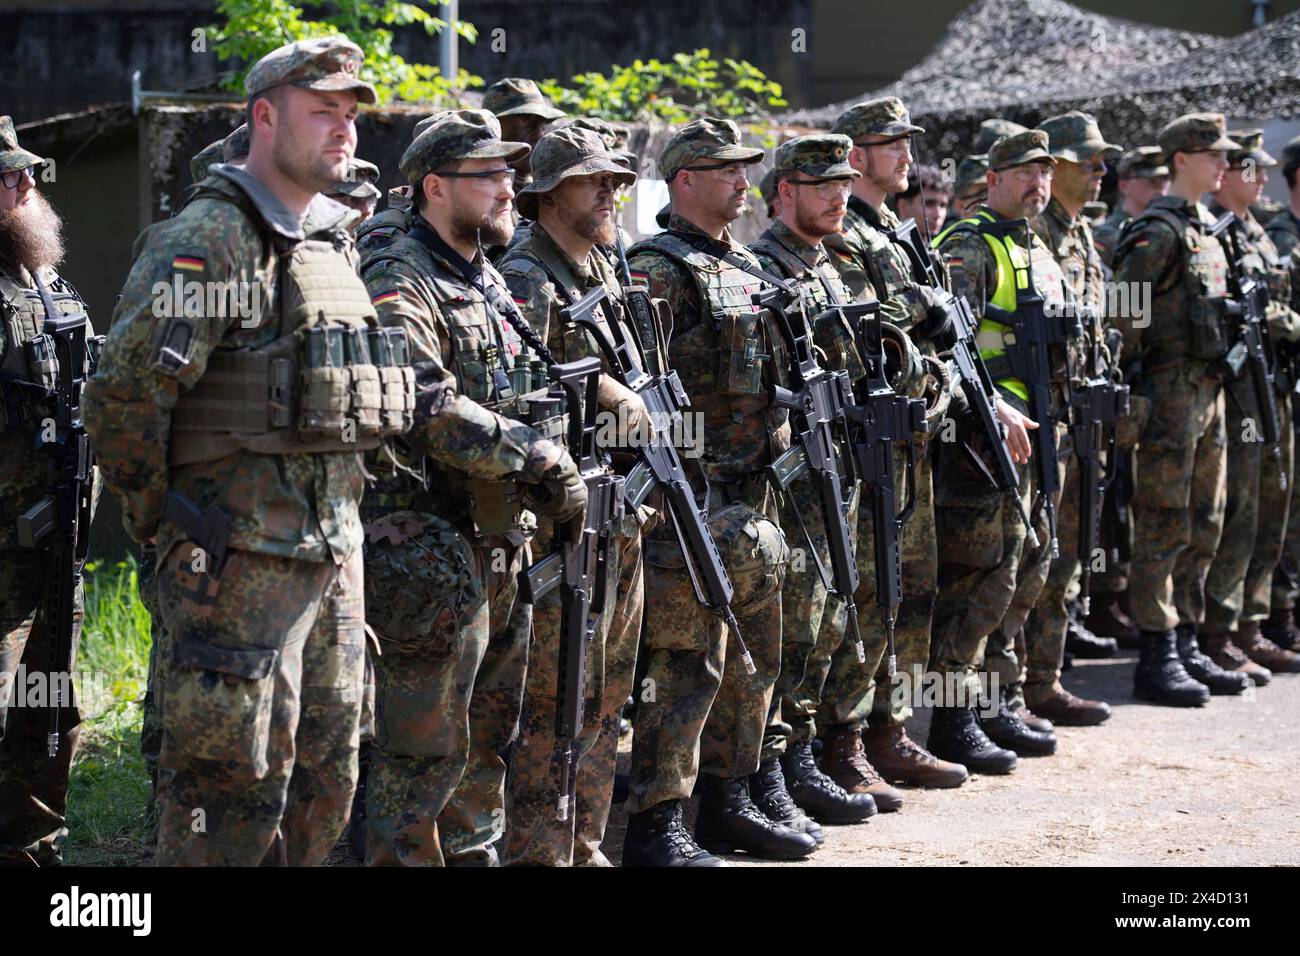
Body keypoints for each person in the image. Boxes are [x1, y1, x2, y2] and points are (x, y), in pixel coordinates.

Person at [85, 36, 391, 865]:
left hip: (333, 567)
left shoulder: (330, 244)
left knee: (327, 787)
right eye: (321, 111)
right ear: (264, 116)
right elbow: (123, 396)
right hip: (237, 569)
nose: (344, 131)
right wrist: (164, 522)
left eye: (350, 115)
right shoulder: (213, 238)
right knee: (229, 802)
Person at [357, 109, 586, 866]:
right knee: (418, 753)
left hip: (496, 544)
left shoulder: (481, 273)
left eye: (510, 174)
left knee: (489, 733)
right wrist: (537, 458)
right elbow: (422, 403)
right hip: (422, 554)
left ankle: (473, 853)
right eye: (487, 175)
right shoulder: (397, 274)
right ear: (433, 186)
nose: (507, 188)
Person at [621, 117, 815, 866]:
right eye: (724, 169)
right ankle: (658, 819)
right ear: (683, 181)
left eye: (746, 169)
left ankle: (734, 792)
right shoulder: (657, 270)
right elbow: (647, 391)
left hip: (755, 492)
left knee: (755, 649)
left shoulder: (748, 266)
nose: (743, 182)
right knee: (687, 658)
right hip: (690, 499)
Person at [496, 126, 650, 865]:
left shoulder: (601, 267)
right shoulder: (527, 272)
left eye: (616, 183)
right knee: (554, 704)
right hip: (565, 521)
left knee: (607, 699)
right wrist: (601, 385)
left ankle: (585, 845)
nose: (610, 194)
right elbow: (520, 384)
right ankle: (538, 850)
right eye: (596, 182)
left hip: (619, 510)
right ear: (550, 191)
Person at [820, 97, 977, 795]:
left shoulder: (892, 228)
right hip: (868, 439)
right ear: (855, 155)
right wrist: (919, 307)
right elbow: (861, 327)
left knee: (911, 589)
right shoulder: (842, 230)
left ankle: (894, 729)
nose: (907, 154)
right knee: (867, 590)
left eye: (908, 140)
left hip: (910, 433)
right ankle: (846, 740)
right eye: (891, 142)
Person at [748, 133, 881, 836]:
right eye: (822, 185)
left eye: (844, 183)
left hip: (843, 461)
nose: (838, 196)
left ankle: (806, 751)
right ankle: (783, 761)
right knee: (793, 627)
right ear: (784, 193)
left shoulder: (839, 265)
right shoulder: (763, 269)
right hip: (792, 474)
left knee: (829, 617)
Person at [930, 129, 1072, 768]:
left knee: (1026, 568)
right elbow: (945, 348)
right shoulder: (968, 246)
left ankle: (999, 699)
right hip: (986, 440)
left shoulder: (1035, 246)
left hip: (1040, 428)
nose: (1037, 184)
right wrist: (991, 410)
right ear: (993, 179)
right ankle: (953, 718)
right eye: (1023, 173)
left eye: (1044, 173)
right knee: (979, 578)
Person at [1111, 113, 1239, 707]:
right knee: (1162, 519)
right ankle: (1157, 647)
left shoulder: (1206, 229)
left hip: (1207, 391)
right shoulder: (1155, 232)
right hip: (1167, 395)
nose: (1223, 165)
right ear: (1180, 161)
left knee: (1203, 516)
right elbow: (1123, 320)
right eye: (1211, 155)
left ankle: (1186, 635)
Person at [0, 115, 98, 866]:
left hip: (53, 544)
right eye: (6, 177)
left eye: (25, 173)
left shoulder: (45, 276)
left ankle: (33, 843)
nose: (25, 184)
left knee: (49, 700)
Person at [1018, 111, 1120, 725]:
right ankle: (1015, 685)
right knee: (1039, 550)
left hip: (1083, 409)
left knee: (1074, 548)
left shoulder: (1080, 233)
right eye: (1090, 161)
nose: (1102, 170)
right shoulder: (1036, 234)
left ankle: (1045, 678)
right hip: (1044, 414)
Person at [1201, 130, 1300, 679]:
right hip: (1240, 393)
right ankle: (1221, 629)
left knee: (1269, 507)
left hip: (1272, 386)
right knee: (1238, 513)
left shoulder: (1253, 231)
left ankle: (1251, 624)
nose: (1261, 178)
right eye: (1250, 168)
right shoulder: (1219, 233)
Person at [1092, 146, 1169, 270]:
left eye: (1164, 181)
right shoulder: (1108, 236)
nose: (1160, 189)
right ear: (1124, 186)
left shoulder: (1162, 228)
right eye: (1152, 181)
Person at [894, 163, 950, 238]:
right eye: (929, 204)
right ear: (903, 206)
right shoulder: (882, 244)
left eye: (943, 205)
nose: (938, 214)